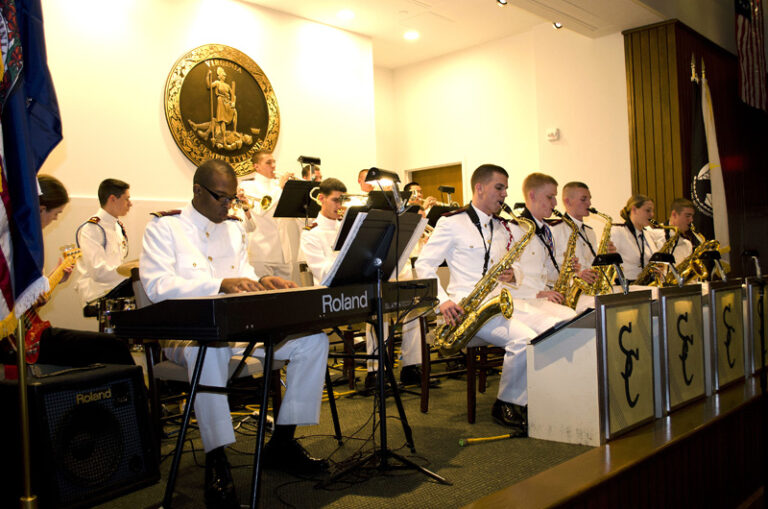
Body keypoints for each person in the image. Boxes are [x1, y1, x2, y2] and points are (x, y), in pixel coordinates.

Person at [140, 159, 329, 509]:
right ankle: (217, 457)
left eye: (231, 199)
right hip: (186, 334)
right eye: (221, 198)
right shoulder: (165, 229)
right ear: (197, 191)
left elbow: (243, 275)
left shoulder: (233, 228)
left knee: (313, 342)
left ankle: (284, 441)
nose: (228, 205)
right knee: (210, 350)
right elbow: (156, 287)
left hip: (239, 332)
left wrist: (261, 284)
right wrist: (218, 284)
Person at [416, 164, 551, 434]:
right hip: (466, 309)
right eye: (498, 188)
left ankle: (534, 396)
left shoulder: (502, 227)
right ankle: (507, 404)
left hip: (498, 304)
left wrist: (515, 275)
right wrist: (442, 301)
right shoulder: (451, 222)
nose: (504, 194)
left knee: (547, 327)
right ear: (479, 188)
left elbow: (518, 265)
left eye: (505, 189)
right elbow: (423, 265)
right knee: (523, 338)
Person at [299, 178, 425, 389]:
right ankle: (376, 372)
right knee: (376, 309)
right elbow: (322, 273)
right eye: (335, 201)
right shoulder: (311, 233)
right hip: (332, 293)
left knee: (413, 305)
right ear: (321, 199)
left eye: (342, 201)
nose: (340, 206)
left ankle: (411, 366)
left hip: (359, 286)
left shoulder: (351, 226)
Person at [0, 175, 134, 367]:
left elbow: (27, 301)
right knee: (113, 348)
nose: (55, 220)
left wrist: (53, 281)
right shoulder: (13, 245)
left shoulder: (118, 227)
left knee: (114, 347)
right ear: (41, 209)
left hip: (30, 329)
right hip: (20, 338)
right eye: (56, 214)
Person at [74, 178, 133, 317]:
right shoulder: (92, 228)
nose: (130, 204)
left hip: (115, 287)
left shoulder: (116, 226)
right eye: (126, 199)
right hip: (99, 291)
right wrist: (131, 273)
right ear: (112, 199)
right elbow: (98, 271)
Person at [239, 150, 299, 281]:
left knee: (286, 296)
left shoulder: (279, 185)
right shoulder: (247, 186)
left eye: (274, 162)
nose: (273, 166)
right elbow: (261, 208)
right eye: (268, 162)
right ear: (256, 166)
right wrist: (280, 189)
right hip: (262, 254)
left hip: (284, 254)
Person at [611, 194, 663, 281]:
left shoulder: (647, 234)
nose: (652, 214)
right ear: (634, 209)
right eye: (648, 211)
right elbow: (611, 265)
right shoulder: (618, 231)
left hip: (646, 286)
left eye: (652, 211)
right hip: (626, 287)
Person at [646, 197, 695, 265]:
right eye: (687, 216)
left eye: (692, 216)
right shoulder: (653, 234)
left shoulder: (687, 245)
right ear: (674, 214)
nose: (691, 220)